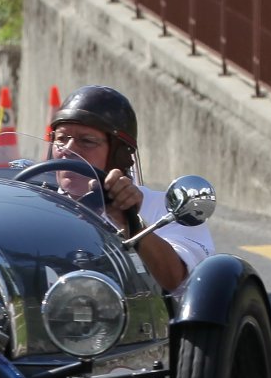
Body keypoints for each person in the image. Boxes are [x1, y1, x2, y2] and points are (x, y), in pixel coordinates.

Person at [47, 85, 213, 295]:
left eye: (86, 141)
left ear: (118, 154)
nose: (68, 149)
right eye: (61, 139)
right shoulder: (37, 205)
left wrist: (130, 222)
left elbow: (175, 279)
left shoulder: (166, 209)